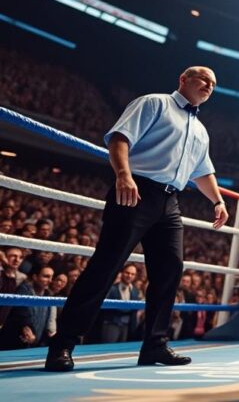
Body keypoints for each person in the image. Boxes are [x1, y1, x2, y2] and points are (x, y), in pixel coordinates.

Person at [45, 67, 229, 372]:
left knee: (170, 269)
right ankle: (62, 343)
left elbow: (203, 172)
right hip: (136, 189)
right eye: (204, 80)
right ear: (183, 79)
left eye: (214, 84)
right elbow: (119, 139)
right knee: (105, 267)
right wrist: (123, 175)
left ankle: (154, 345)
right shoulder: (154, 103)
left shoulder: (201, 129)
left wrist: (218, 200)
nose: (209, 86)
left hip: (170, 201)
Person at [101, 264, 142, 343]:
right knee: (108, 350)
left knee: (121, 350)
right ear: (122, 273)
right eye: (127, 273)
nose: (129, 276)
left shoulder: (135, 291)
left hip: (126, 327)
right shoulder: (111, 289)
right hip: (111, 324)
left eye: (132, 274)